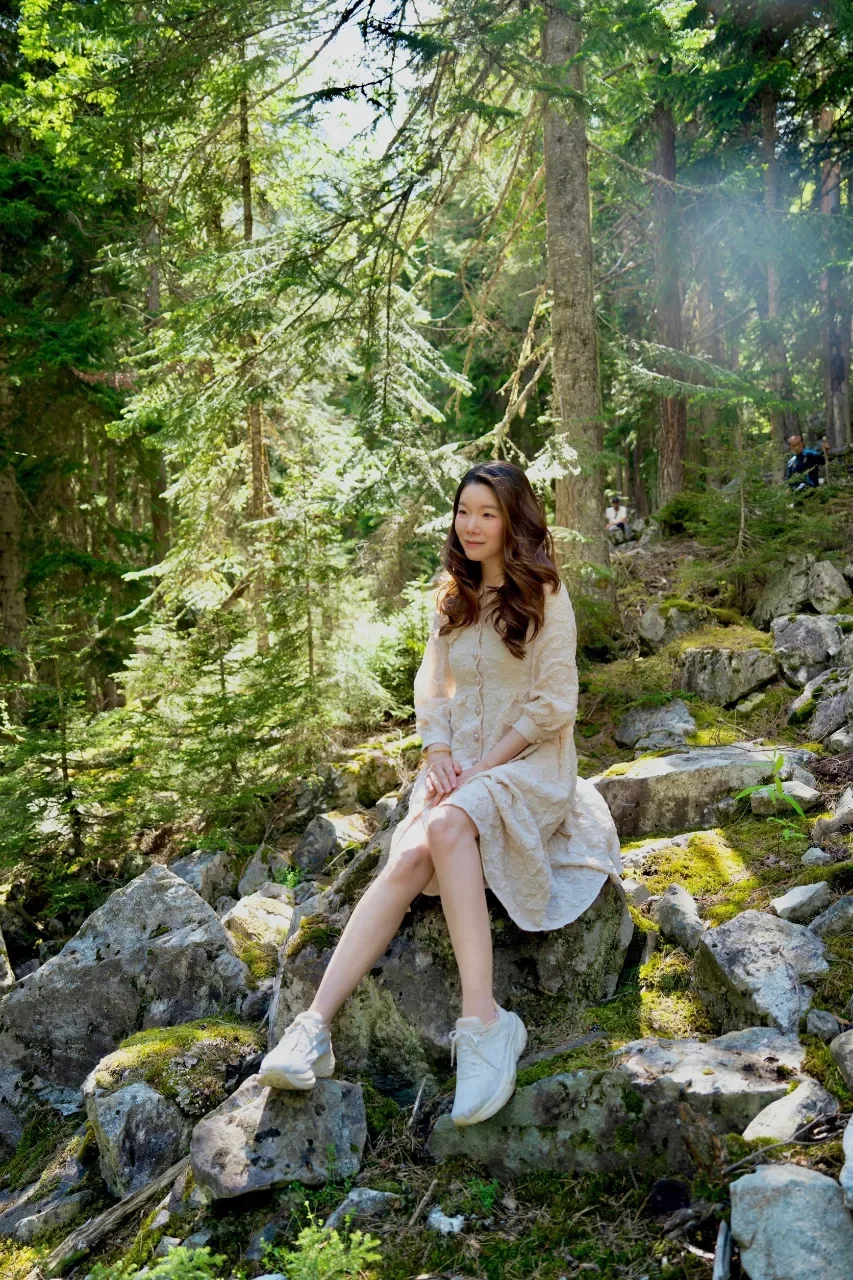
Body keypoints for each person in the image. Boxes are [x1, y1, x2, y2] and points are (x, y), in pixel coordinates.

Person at [258, 461, 622, 1127]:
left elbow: (552, 703)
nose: (472, 525)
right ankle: (312, 1028)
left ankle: (484, 1022)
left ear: (513, 519)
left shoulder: (545, 592)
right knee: (405, 857)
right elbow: (432, 688)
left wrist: (484, 765)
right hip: (461, 766)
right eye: (464, 512)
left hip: (530, 763)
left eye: (487, 512)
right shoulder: (450, 596)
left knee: (447, 827)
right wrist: (437, 753)